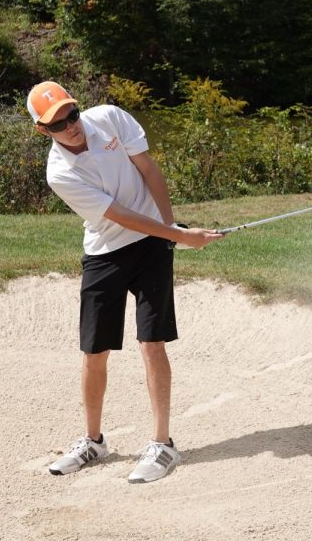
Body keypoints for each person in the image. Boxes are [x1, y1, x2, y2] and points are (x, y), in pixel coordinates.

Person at [27, 81, 222, 483]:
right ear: (43, 131)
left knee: (151, 341)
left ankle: (163, 444)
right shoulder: (59, 172)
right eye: (59, 124)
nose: (71, 126)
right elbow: (117, 214)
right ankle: (93, 441)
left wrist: (169, 229)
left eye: (72, 114)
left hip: (152, 243)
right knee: (94, 350)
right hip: (105, 251)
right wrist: (180, 236)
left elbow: (148, 168)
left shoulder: (111, 118)